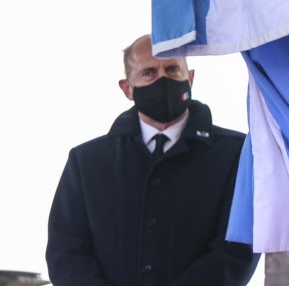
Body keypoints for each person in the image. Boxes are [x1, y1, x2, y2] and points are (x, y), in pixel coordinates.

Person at [46, 35, 258, 286]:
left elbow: (236, 250)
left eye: (171, 69)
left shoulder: (235, 154)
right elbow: (66, 252)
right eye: (148, 72)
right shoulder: (87, 162)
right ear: (127, 88)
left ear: (190, 78)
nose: (163, 79)